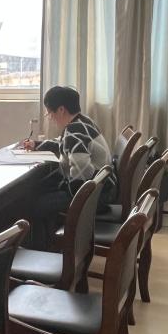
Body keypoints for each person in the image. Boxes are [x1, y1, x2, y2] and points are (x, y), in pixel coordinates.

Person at [21, 86, 116, 249]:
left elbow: (81, 176)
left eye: (49, 113)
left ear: (61, 110)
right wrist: (37, 145)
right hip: (103, 188)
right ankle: (49, 245)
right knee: (44, 191)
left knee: (37, 204)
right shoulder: (82, 122)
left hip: (94, 195)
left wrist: (60, 187)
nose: (50, 118)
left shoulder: (74, 131)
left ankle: (42, 250)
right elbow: (64, 144)